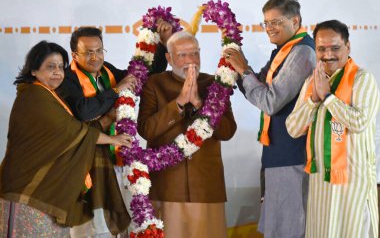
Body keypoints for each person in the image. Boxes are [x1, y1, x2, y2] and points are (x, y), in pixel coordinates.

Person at [0, 41, 132, 237]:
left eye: (61, 67)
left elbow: (73, 131)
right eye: (50, 67)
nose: (57, 72)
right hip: (28, 191)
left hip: (47, 192)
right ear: (34, 70)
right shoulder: (34, 95)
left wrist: (108, 119)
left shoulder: (50, 95)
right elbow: (72, 131)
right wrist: (114, 140)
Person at [56, 24, 172, 237]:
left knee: (120, 225)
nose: (95, 57)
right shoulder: (66, 78)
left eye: (99, 50)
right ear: (74, 55)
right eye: (88, 52)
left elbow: (143, 77)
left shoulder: (106, 69)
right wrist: (117, 90)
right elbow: (84, 111)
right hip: (86, 166)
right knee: (90, 227)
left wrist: (163, 45)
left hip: (117, 159)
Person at [224, 0, 316, 238]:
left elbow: (270, 101)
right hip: (277, 154)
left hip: (293, 153)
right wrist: (236, 68)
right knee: (277, 228)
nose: (270, 29)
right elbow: (258, 91)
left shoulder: (302, 53)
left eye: (276, 22)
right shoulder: (284, 51)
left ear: (295, 21)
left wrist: (243, 69)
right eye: (266, 23)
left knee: (290, 229)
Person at [137, 31, 237, 238]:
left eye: (194, 54)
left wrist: (201, 104)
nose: (190, 60)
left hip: (206, 187)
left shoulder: (215, 84)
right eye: (182, 55)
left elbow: (227, 132)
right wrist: (179, 102)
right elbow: (146, 130)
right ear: (169, 58)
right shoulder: (155, 84)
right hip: (167, 185)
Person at [286, 20, 379, 238]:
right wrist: (313, 100)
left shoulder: (362, 79)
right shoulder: (313, 81)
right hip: (321, 182)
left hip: (352, 182)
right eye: (321, 49)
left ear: (348, 47)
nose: (328, 55)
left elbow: (358, 122)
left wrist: (328, 98)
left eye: (335, 48)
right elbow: (293, 128)